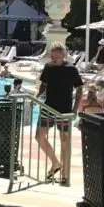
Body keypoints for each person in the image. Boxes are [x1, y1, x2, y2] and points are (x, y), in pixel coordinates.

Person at [37, 42, 83, 181]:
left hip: (64, 110)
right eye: (52, 56)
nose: (53, 59)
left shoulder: (71, 69)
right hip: (48, 107)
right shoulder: (48, 68)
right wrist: (37, 96)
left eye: (56, 57)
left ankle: (65, 174)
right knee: (39, 137)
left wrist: (75, 109)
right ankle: (55, 162)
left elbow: (79, 89)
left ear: (63, 56)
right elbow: (44, 85)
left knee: (64, 139)